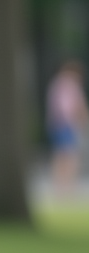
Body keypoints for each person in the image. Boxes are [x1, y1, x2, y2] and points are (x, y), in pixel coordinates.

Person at [46, 59, 88, 195]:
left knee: (61, 154)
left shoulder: (56, 84)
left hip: (57, 124)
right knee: (70, 155)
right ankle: (67, 186)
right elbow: (74, 107)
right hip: (67, 124)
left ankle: (60, 185)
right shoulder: (69, 85)